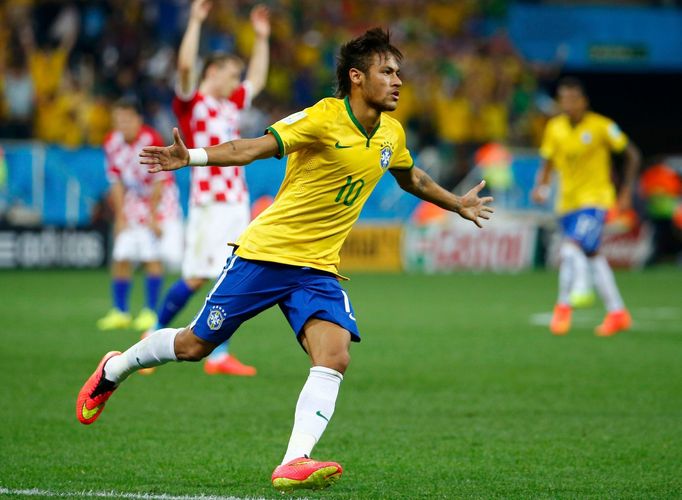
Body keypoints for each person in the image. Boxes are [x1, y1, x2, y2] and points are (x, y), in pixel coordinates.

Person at [76, 28, 494, 492]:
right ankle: (115, 368)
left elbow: (409, 176)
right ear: (357, 77)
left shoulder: (391, 133)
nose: (398, 80)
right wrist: (191, 157)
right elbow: (250, 148)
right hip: (266, 254)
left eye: (399, 72)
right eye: (387, 71)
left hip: (317, 269)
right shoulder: (322, 117)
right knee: (195, 346)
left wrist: (455, 202)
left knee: (334, 357)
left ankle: (295, 459)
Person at [147, 0, 271, 376]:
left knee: (231, 275)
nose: (238, 82)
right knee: (196, 276)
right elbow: (185, 66)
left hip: (236, 200)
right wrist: (196, 22)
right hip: (209, 203)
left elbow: (259, 80)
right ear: (213, 72)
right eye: (232, 74)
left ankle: (218, 356)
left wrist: (262, 38)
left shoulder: (230, 103)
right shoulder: (194, 103)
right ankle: (151, 336)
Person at [532, 77, 640, 337]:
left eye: (572, 99)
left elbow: (632, 154)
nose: (568, 104)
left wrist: (625, 191)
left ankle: (570, 300)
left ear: (584, 102)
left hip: (595, 200)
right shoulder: (554, 128)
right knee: (592, 254)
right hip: (567, 203)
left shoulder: (602, 126)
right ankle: (618, 313)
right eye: (563, 100)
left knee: (571, 247)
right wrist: (542, 187)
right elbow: (548, 162)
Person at [97, 98, 182, 331]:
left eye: (127, 119)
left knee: (150, 253)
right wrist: (120, 216)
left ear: (138, 120)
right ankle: (120, 311)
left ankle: (149, 311)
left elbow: (159, 180)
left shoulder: (150, 139)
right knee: (122, 252)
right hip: (134, 197)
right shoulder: (111, 142)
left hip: (159, 197)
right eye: (118, 119)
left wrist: (154, 216)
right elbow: (115, 182)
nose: (123, 124)